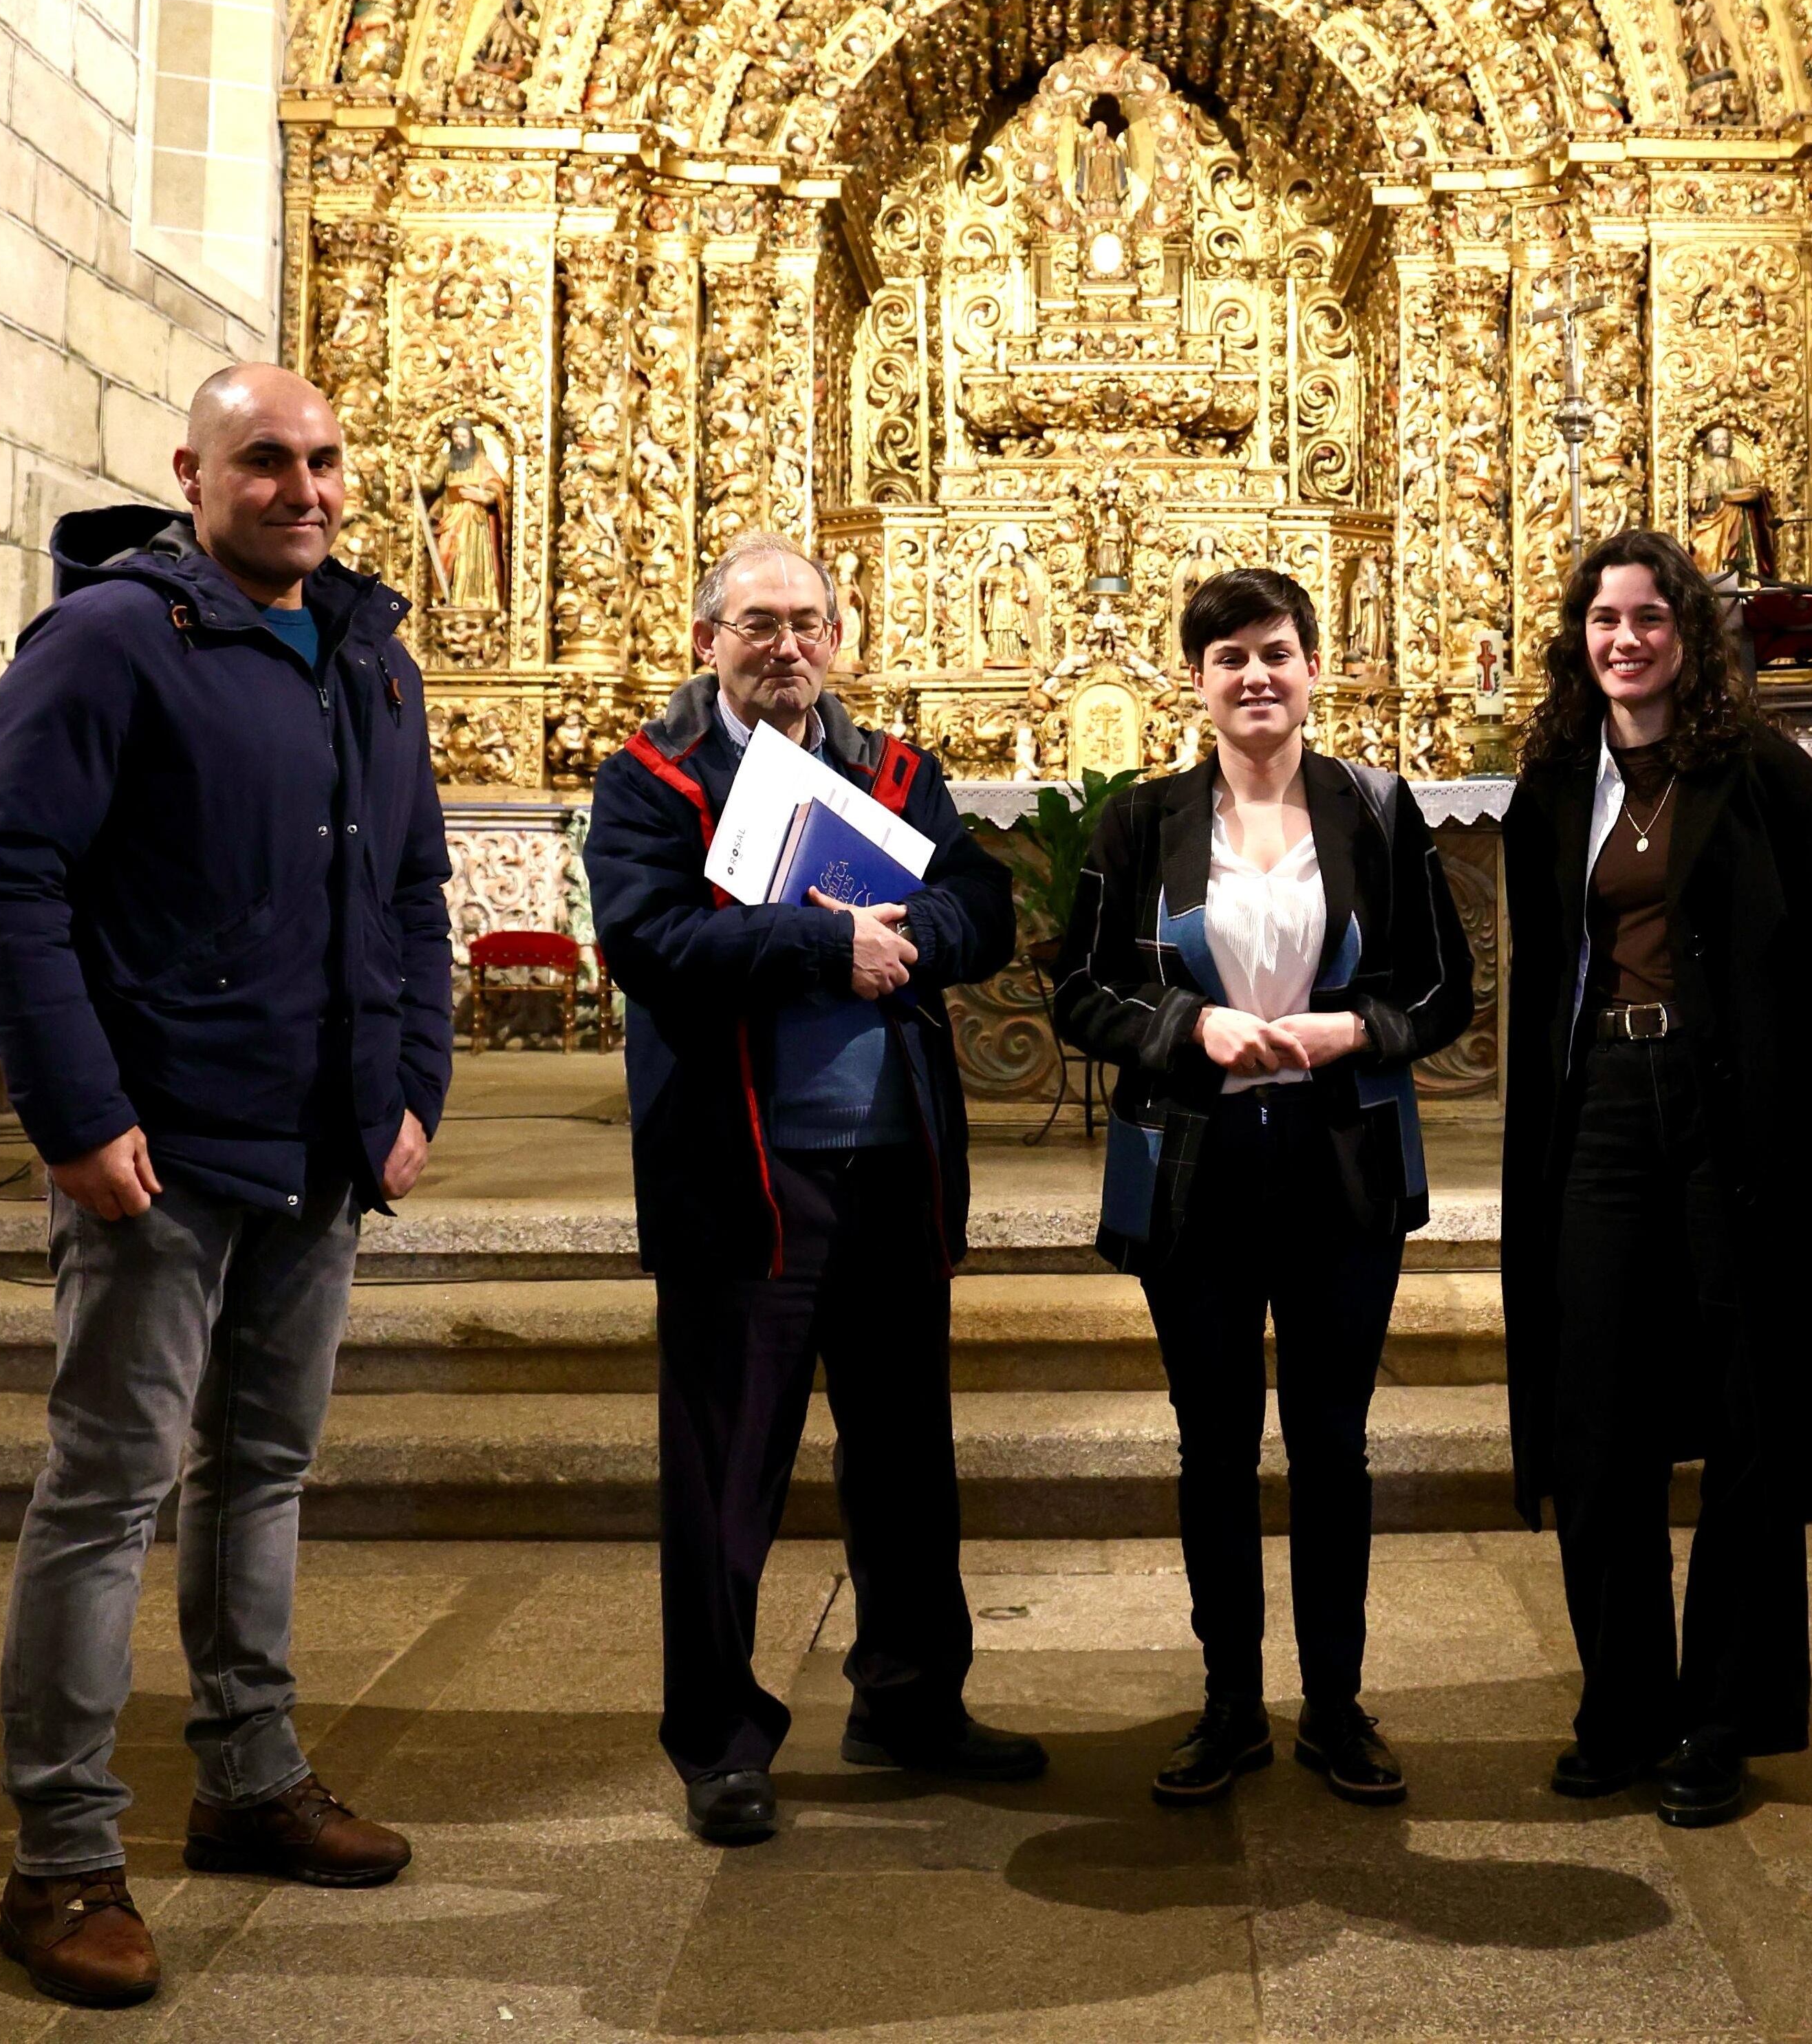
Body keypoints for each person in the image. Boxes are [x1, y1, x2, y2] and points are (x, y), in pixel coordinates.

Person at [0, 365, 451, 2009]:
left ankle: (247, 1777)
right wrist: (77, 1111)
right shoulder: (112, 637)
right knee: (107, 1490)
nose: (303, 487)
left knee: (263, 1471)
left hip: (320, 1140)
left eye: (324, 461)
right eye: (265, 462)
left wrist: (411, 1079)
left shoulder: (370, 652)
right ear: (193, 472)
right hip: (157, 1145)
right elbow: (2, 873)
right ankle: (65, 1854)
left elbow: (410, 878)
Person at [584, 531, 1038, 1851]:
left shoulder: (895, 772)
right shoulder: (651, 782)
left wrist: (906, 940)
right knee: (727, 1472)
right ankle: (718, 1738)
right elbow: (651, 940)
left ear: (836, 638)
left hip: (894, 1163)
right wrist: (826, 942)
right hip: (744, 1177)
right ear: (709, 640)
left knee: (907, 1459)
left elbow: (982, 910)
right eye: (759, 623)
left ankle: (910, 1699)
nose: (788, 646)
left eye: (809, 624)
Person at [1500, 529, 1812, 1829]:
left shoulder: (1758, 774)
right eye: (1604, 621)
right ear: (1581, 641)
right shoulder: (1556, 782)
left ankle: (1723, 1720)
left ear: (1691, 633)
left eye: (1650, 619)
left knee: (1750, 1415)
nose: (1625, 640)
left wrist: (1775, 1081)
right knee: (1599, 1414)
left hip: (1732, 1115)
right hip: (1600, 1113)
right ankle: (1621, 1703)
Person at [1051, 568, 1474, 1808]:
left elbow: (1449, 989)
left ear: (1313, 666)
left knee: (1333, 1445)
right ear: (1196, 682)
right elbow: (1076, 990)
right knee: (1216, 1446)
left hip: (1341, 1161)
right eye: (1229, 656)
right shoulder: (1140, 825)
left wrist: (1357, 1033)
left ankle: (1336, 1707)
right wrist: (1194, 1029)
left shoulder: (1380, 814)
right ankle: (1230, 1704)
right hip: (1199, 1168)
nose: (1256, 676)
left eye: (1277, 653)